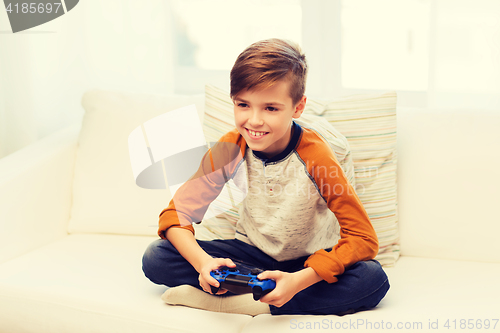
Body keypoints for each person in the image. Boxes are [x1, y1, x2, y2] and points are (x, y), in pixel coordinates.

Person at [142, 38, 389, 316]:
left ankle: (242, 300)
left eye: (270, 108)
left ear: (297, 108)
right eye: (243, 105)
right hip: (252, 254)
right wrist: (203, 264)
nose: (254, 121)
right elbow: (175, 215)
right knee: (157, 256)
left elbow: (363, 238)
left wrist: (299, 280)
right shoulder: (230, 147)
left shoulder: (316, 155)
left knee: (372, 279)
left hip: (307, 264)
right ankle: (261, 289)